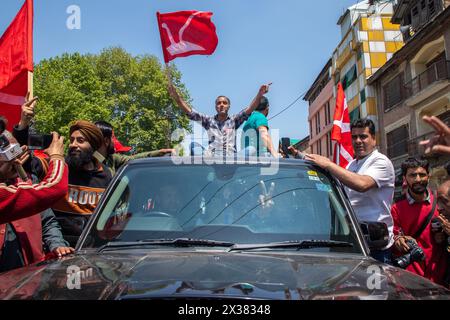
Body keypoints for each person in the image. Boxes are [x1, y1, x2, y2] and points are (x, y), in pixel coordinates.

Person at [302, 118, 395, 263]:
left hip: (376, 246)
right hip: (353, 242)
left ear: (374, 139)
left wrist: (328, 165)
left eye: (363, 136)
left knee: (375, 285)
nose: (358, 141)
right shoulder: (352, 165)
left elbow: (361, 184)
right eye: (354, 137)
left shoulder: (381, 161)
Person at [0, 132, 68, 272]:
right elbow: (54, 188)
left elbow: (48, 221)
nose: (16, 159)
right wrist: (57, 157)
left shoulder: (29, 182)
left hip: (29, 277)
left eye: (16, 151)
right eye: (9, 154)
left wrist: (57, 244)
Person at [45, 120, 113, 247]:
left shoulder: (107, 175)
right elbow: (29, 163)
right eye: (71, 140)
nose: (73, 145)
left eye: (80, 141)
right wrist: (23, 125)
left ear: (93, 146)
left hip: (92, 252)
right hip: (58, 249)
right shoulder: (58, 167)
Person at [167, 75, 271, 156]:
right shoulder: (208, 120)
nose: (221, 105)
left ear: (229, 106)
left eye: (224, 103)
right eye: (219, 103)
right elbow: (190, 113)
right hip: (212, 157)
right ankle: (204, 166)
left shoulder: (234, 120)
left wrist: (259, 94)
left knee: (251, 149)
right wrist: (177, 98)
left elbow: (249, 109)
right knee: (193, 145)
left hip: (231, 158)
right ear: (215, 106)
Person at [391, 158, 447, 286]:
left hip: (439, 276)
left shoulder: (441, 203)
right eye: (412, 175)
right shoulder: (396, 209)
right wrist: (399, 240)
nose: (417, 179)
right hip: (410, 278)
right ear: (405, 178)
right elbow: (393, 238)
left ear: (428, 176)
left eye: (422, 174)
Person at [94, 121, 174, 176]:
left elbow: (134, 159)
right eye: (113, 138)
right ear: (106, 141)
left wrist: (160, 152)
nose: (114, 142)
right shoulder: (87, 162)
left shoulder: (112, 159)